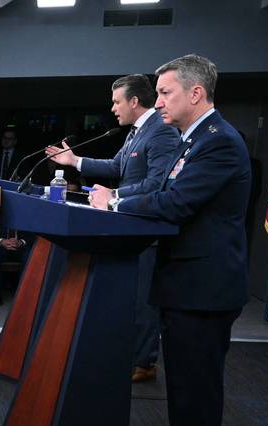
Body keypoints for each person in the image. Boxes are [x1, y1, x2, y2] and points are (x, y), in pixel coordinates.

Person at [88, 54, 250, 426]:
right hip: (186, 284)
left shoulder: (218, 142)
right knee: (182, 381)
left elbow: (176, 202)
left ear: (195, 93)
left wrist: (115, 203)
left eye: (164, 92)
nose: (157, 101)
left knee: (197, 384)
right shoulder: (191, 140)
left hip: (205, 288)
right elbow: (163, 189)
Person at [48, 73, 181, 383]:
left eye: (116, 102)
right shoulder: (137, 131)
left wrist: (115, 196)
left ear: (134, 101)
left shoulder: (161, 131)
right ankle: (129, 355)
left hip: (147, 231)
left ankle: (144, 361)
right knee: (128, 297)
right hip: (127, 228)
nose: (112, 109)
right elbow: (117, 167)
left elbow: (157, 184)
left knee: (142, 300)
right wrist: (75, 161)